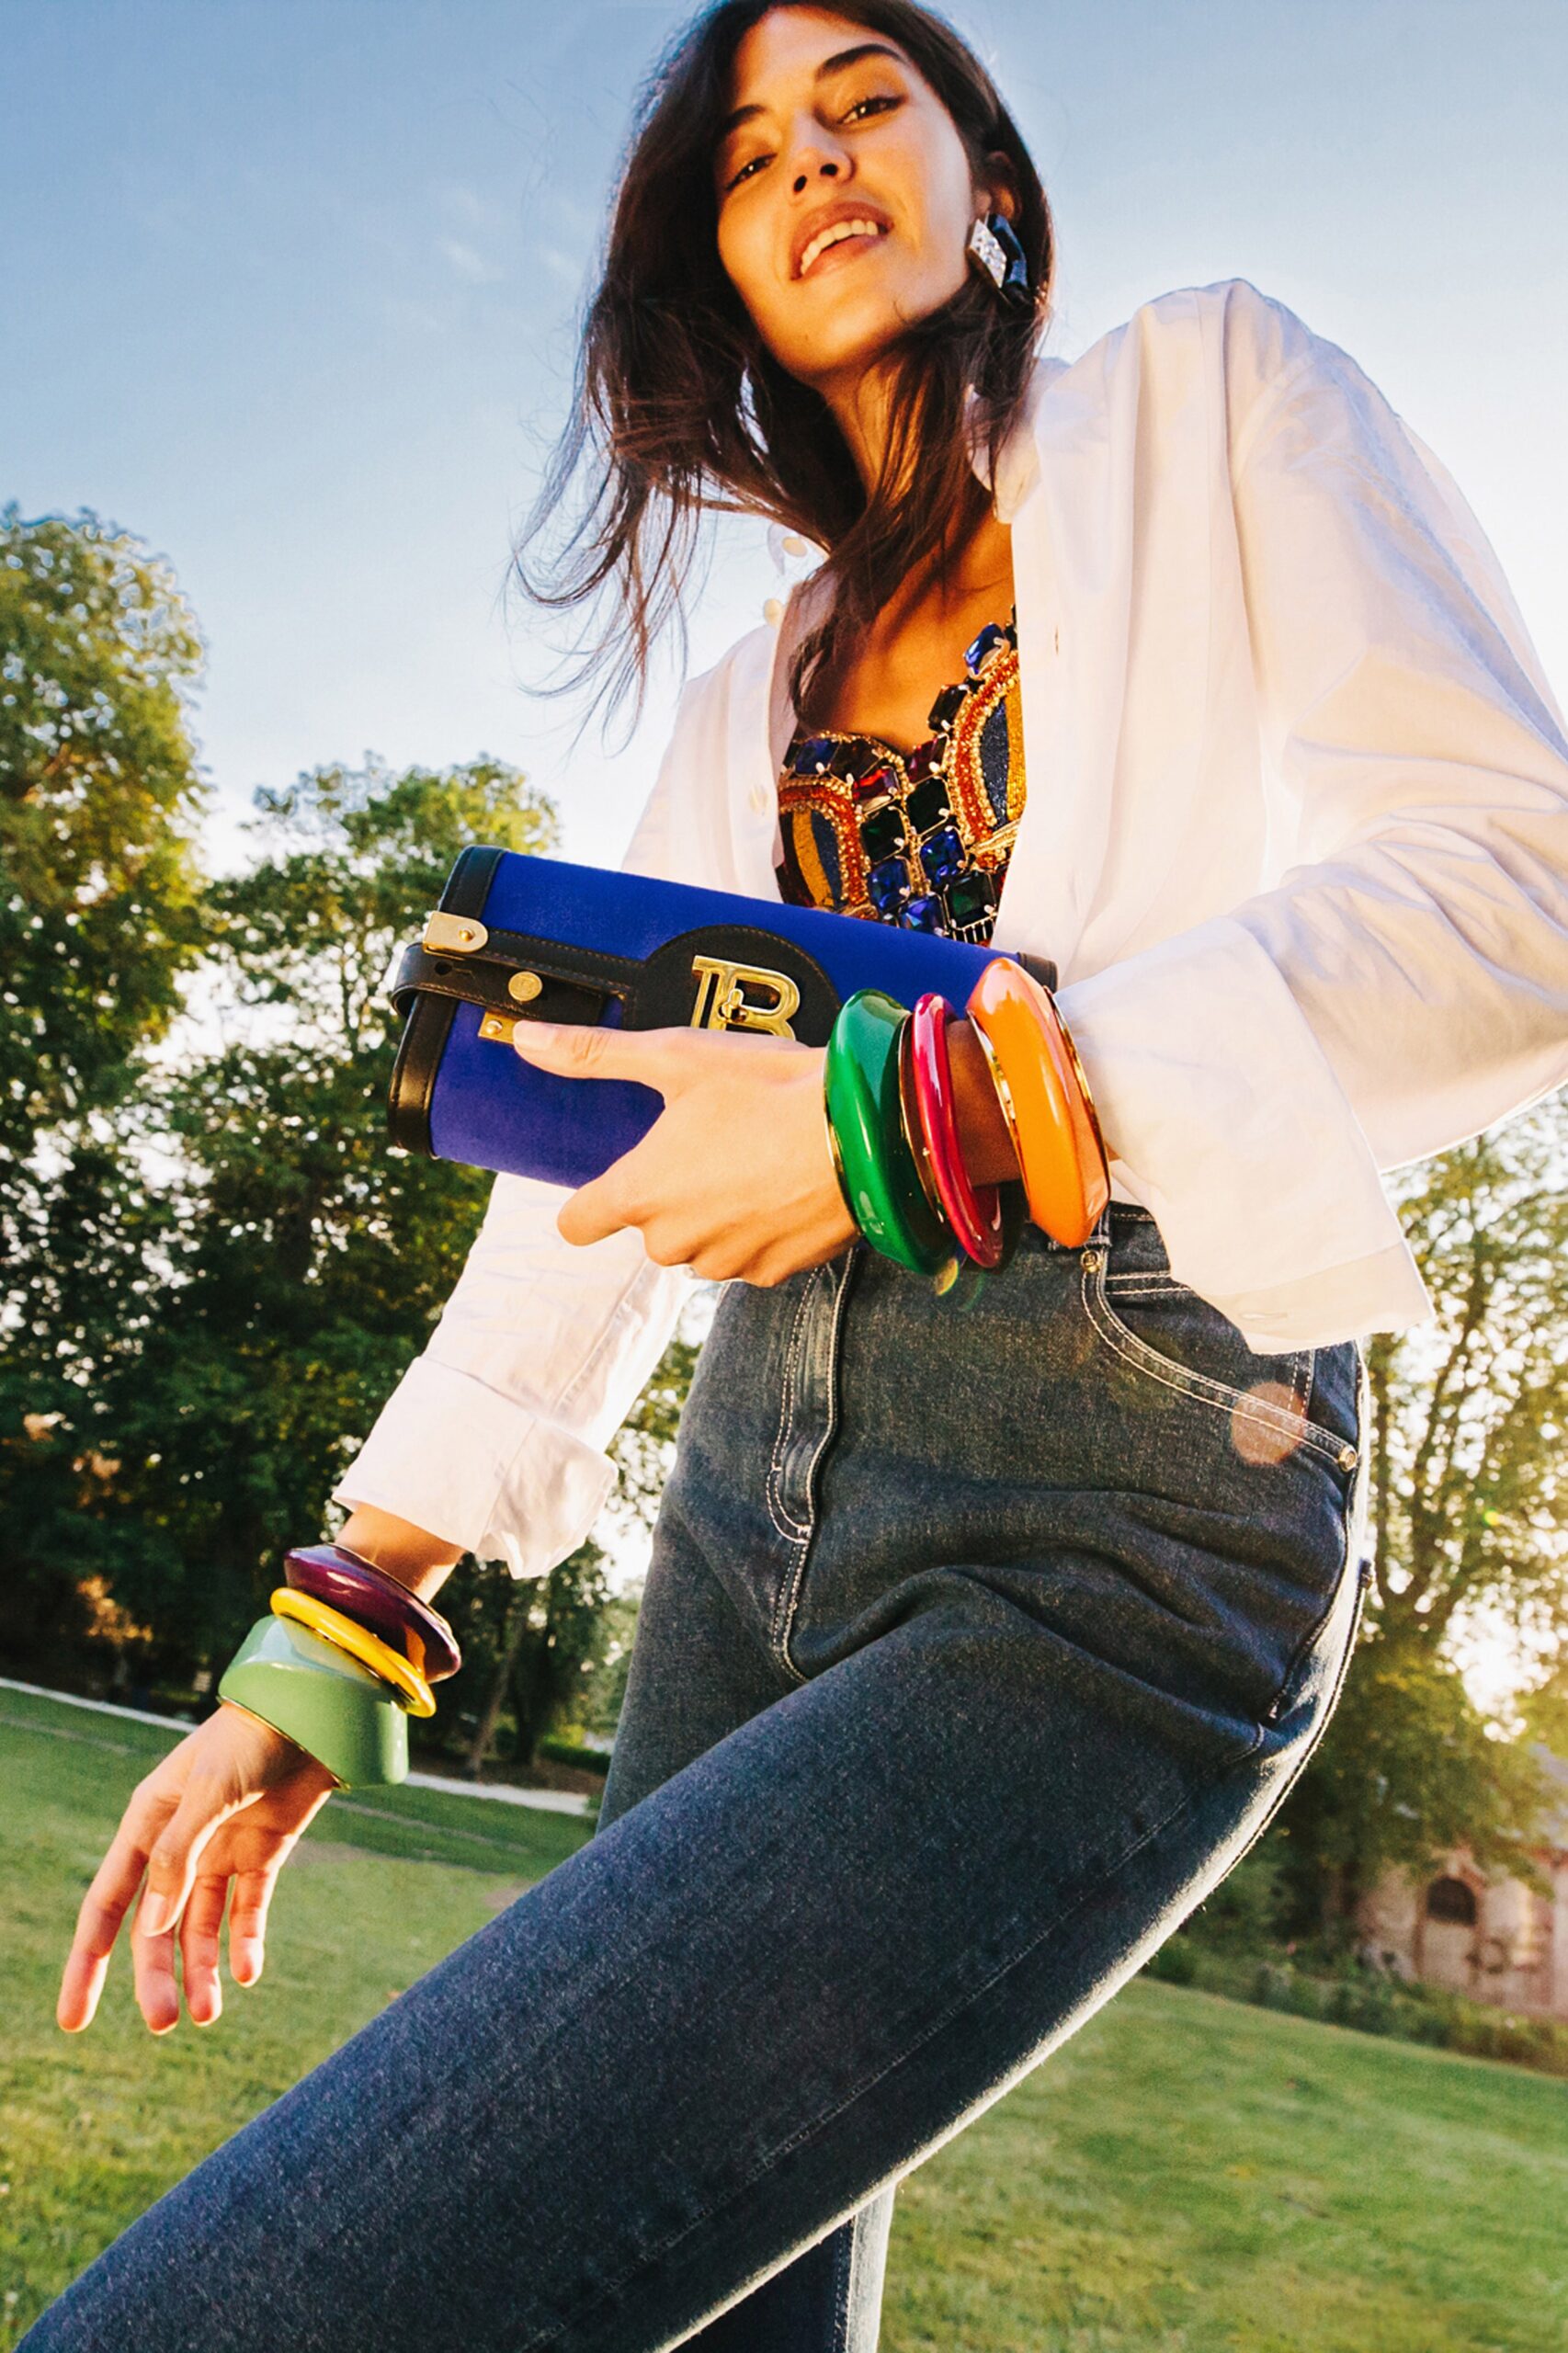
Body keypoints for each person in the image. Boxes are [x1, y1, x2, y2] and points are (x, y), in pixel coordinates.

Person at [28, 3, 1568, 2347]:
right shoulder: (739, 694)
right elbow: (585, 1180)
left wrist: (902, 1114)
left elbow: (1518, 887)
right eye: (752, 156)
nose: (817, 163)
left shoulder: (1212, 393)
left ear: (989, 186)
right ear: (717, 266)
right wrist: (332, 1629)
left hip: (1125, 1481)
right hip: (747, 1491)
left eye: (866, 106)